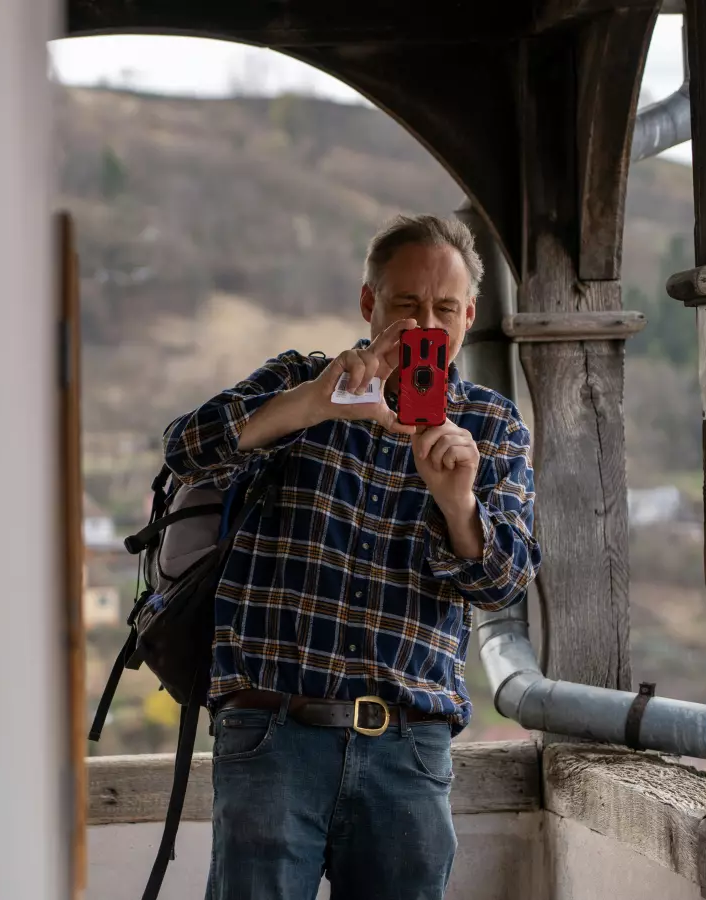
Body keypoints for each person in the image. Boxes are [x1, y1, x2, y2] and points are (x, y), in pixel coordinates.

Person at [163, 214, 542, 900]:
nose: (426, 324)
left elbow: (506, 582)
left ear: (470, 315)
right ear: (369, 304)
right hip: (272, 730)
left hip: (408, 749)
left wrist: (458, 505)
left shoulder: (490, 426)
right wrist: (315, 403)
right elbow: (185, 448)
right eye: (406, 305)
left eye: (445, 309)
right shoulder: (302, 382)